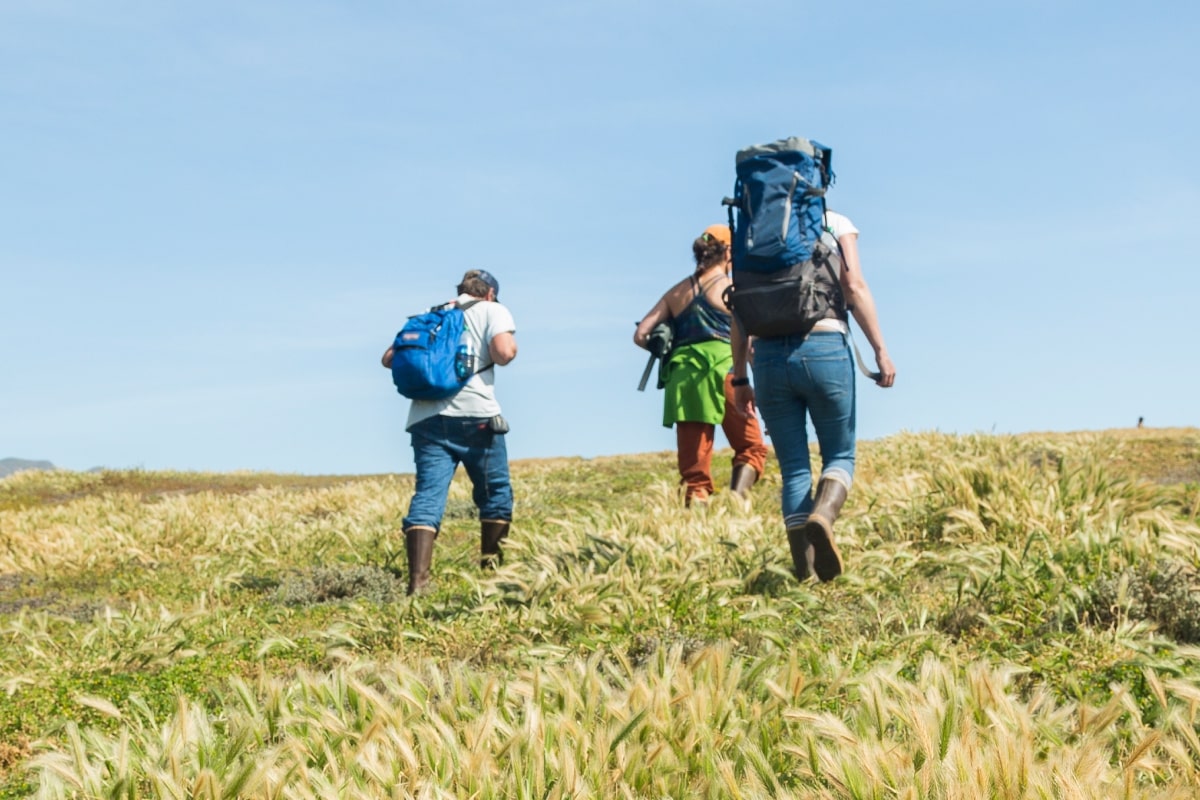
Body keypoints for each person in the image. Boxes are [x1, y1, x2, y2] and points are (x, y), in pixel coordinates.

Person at [731, 209, 896, 582]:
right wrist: (880, 350)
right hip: (826, 347)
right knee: (839, 454)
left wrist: (740, 378)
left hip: (770, 358)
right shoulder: (834, 222)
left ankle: (804, 577)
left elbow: (738, 310)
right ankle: (823, 516)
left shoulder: (750, 233)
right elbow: (854, 288)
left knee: (794, 471)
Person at [380, 269, 518, 595]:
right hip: (477, 416)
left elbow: (389, 358)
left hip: (425, 418)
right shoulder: (492, 309)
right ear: (489, 293)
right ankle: (492, 578)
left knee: (428, 496)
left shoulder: (432, 313)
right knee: (495, 493)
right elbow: (504, 352)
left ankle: (417, 585)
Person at [635, 224, 768, 505]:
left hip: (683, 377)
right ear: (729, 252)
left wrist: (665, 347)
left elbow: (641, 334)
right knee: (751, 447)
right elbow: (749, 338)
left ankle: (697, 514)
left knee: (694, 471)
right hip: (725, 370)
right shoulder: (730, 288)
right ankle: (735, 503)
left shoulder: (677, 292)